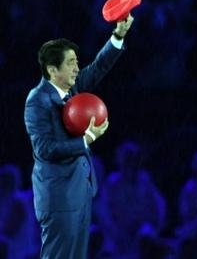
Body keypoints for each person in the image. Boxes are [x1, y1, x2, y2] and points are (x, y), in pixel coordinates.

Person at [24, 14, 133, 258]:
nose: (76, 68)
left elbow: (99, 67)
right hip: (59, 197)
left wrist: (118, 35)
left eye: (76, 62)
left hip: (79, 192)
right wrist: (86, 139)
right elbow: (44, 148)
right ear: (53, 70)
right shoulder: (37, 100)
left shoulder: (71, 88)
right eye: (71, 63)